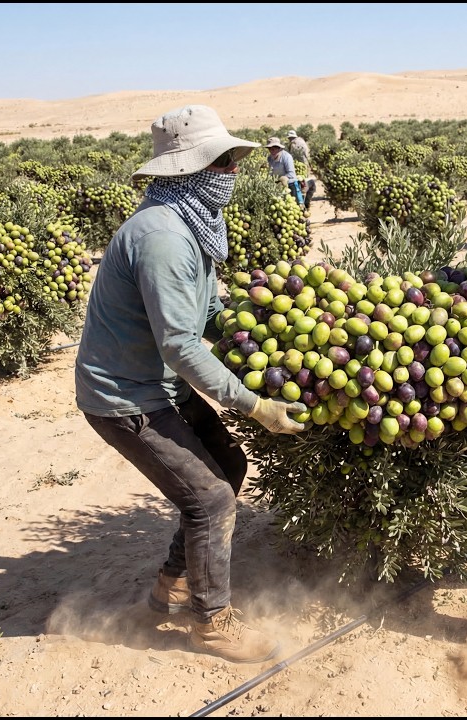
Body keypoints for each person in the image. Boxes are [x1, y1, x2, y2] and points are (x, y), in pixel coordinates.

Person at [74, 105, 306, 665]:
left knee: (228, 466)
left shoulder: (190, 222)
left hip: (161, 386)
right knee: (210, 499)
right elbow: (180, 343)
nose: (231, 172)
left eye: (231, 162)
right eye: (222, 163)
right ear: (190, 171)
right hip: (124, 397)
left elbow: (203, 312)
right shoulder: (163, 238)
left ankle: (172, 584)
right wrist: (255, 404)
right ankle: (212, 623)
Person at [265, 136, 306, 207]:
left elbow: (291, 174)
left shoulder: (286, 157)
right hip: (277, 187)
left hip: (290, 185)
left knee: (297, 207)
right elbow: (271, 173)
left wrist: (281, 180)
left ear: (279, 148)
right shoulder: (269, 158)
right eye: (270, 149)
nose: (271, 151)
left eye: (273, 149)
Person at [287, 130, 316, 211]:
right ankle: (305, 204)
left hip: (298, 167)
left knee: (302, 185)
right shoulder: (302, 141)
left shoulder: (293, 144)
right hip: (304, 166)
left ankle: (302, 204)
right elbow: (307, 153)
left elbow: (291, 157)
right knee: (305, 184)